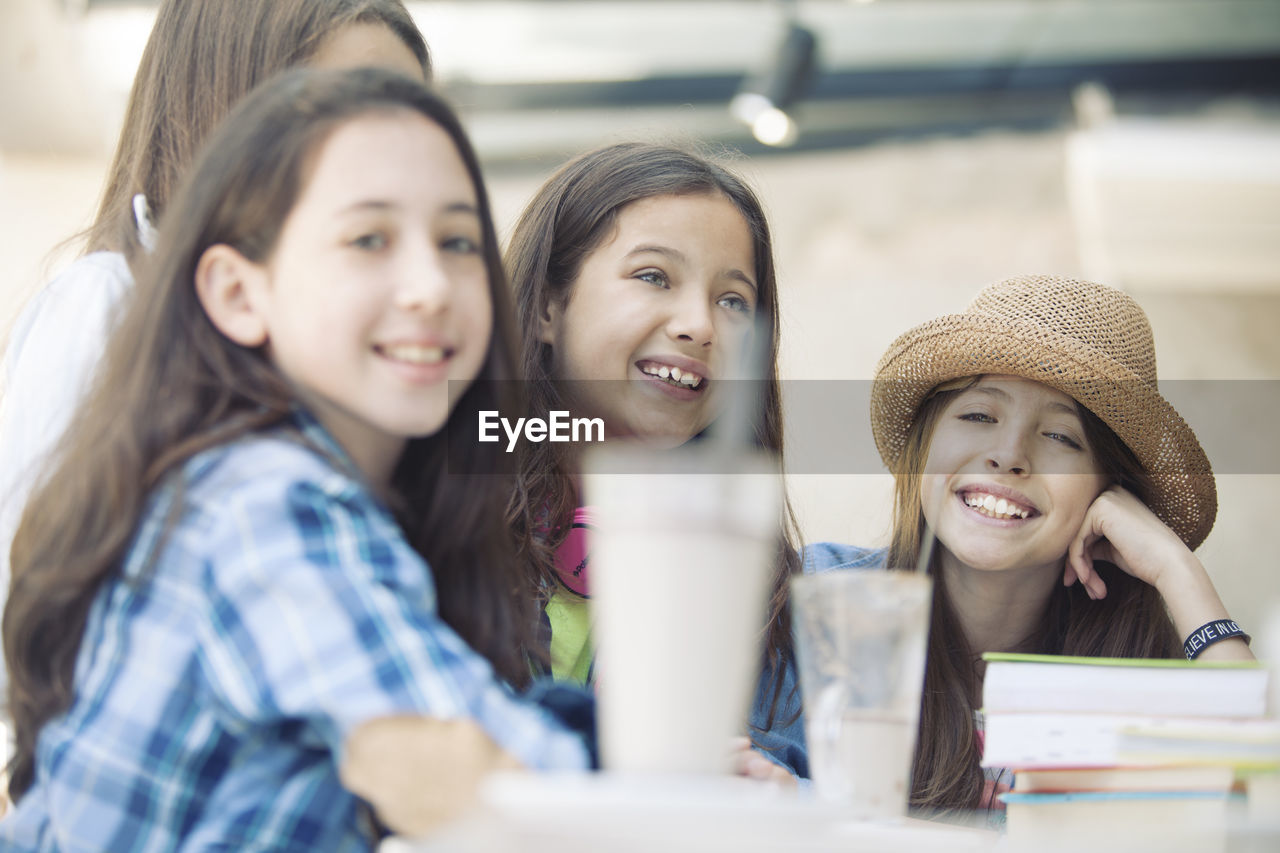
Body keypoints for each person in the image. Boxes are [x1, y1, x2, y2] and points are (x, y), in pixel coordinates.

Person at [1, 68, 591, 849]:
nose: (429, 285)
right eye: (368, 239)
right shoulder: (265, 501)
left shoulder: (256, 481)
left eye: (457, 241)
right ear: (240, 293)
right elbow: (471, 771)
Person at [0, 0, 431, 683]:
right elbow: (37, 626)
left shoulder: (359, 337)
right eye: (339, 116)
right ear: (228, 115)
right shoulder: (107, 305)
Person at [806, 274, 1253, 815]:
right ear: (927, 444)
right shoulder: (817, 602)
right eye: (978, 415)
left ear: (1109, 492)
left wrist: (1177, 570)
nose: (1009, 454)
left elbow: (1257, 808)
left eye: (1061, 437)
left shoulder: (1144, 686)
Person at [505, 142, 805, 780]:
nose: (700, 325)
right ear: (545, 308)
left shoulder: (776, 594)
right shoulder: (429, 531)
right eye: (653, 277)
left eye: (733, 301)